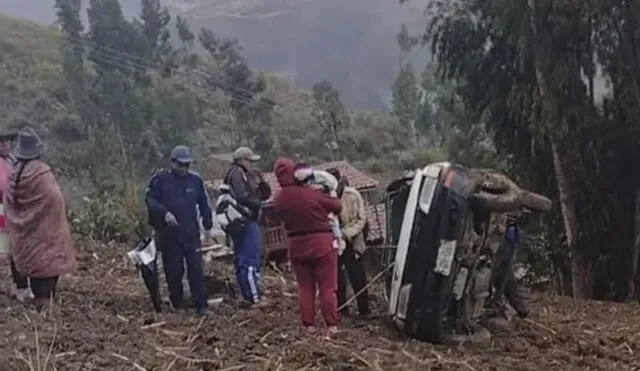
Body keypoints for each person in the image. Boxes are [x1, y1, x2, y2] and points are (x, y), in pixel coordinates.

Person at [3, 127, 76, 310]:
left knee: (31, 267)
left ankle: (32, 297)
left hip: (25, 238)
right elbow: (55, 199)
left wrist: (24, 218)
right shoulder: (42, 173)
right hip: (46, 237)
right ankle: (44, 308)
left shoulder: (14, 172)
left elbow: (8, 200)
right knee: (46, 275)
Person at [272, 157, 343, 334]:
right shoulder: (311, 193)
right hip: (322, 244)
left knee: (305, 289)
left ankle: (308, 325)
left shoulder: (279, 199)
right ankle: (332, 326)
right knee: (327, 287)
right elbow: (337, 206)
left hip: (296, 246)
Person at [145, 145, 213, 316]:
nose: (184, 169)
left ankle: (201, 305)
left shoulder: (195, 181)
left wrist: (208, 225)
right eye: (180, 165)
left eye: (187, 165)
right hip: (169, 234)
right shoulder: (160, 180)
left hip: (190, 232)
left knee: (195, 269)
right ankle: (177, 301)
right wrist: (164, 212)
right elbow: (150, 200)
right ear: (172, 163)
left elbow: (204, 204)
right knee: (174, 270)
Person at [224, 146, 271, 307]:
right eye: (250, 161)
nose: (252, 164)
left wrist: (261, 183)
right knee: (250, 259)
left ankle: (246, 295)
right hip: (245, 221)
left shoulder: (239, 174)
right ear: (242, 160)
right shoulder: (237, 174)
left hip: (240, 223)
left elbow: (265, 193)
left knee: (242, 259)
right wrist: (257, 205)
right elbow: (242, 196)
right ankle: (254, 296)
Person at [326, 168, 370, 317]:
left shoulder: (352, 195)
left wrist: (345, 234)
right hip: (333, 244)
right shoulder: (324, 195)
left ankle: (364, 310)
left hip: (352, 241)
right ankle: (342, 309)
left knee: (358, 276)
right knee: (337, 278)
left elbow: (361, 219)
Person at [292, 164, 345, 255]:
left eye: (307, 181)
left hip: (330, 190)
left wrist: (322, 188)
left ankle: (339, 239)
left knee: (331, 217)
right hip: (315, 197)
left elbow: (333, 185)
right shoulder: (299, 184)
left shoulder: (321, 176)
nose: (306, 183)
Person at [490, 213, 529, 318]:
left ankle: (517, 307)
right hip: (494, 255)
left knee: (505, 277)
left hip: (500, 257)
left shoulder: (510, 227)